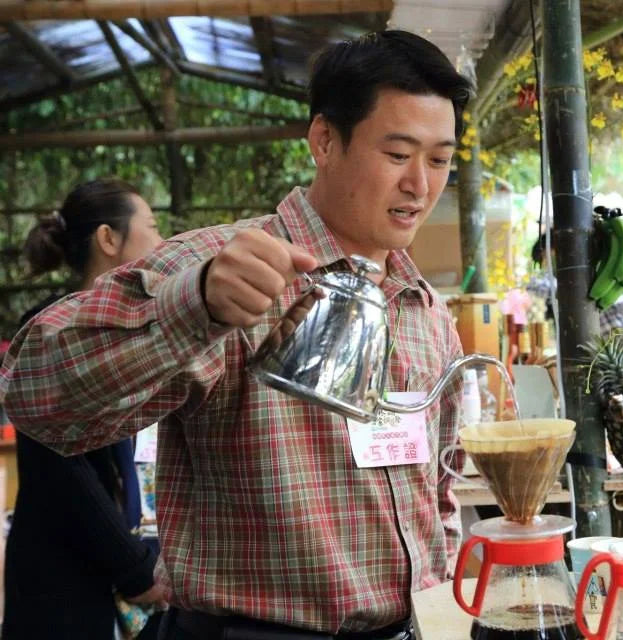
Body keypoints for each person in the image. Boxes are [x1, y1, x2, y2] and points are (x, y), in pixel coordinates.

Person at [0, 30, 472, 639]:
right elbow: (34, 394)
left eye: (439, 160)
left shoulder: (422, 306)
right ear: (324, 141)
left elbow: (440, 486)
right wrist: (196, 307)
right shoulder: (220, 267)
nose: (420, 185)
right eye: (399, 153)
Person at [2, 179, 167, 640]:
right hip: (67, 583)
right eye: (153, 227)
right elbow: (62, 470)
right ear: (108, 239)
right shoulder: (51, 331)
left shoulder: (142, 328)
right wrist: (135, 569)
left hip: (138, 565)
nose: (162, 242)